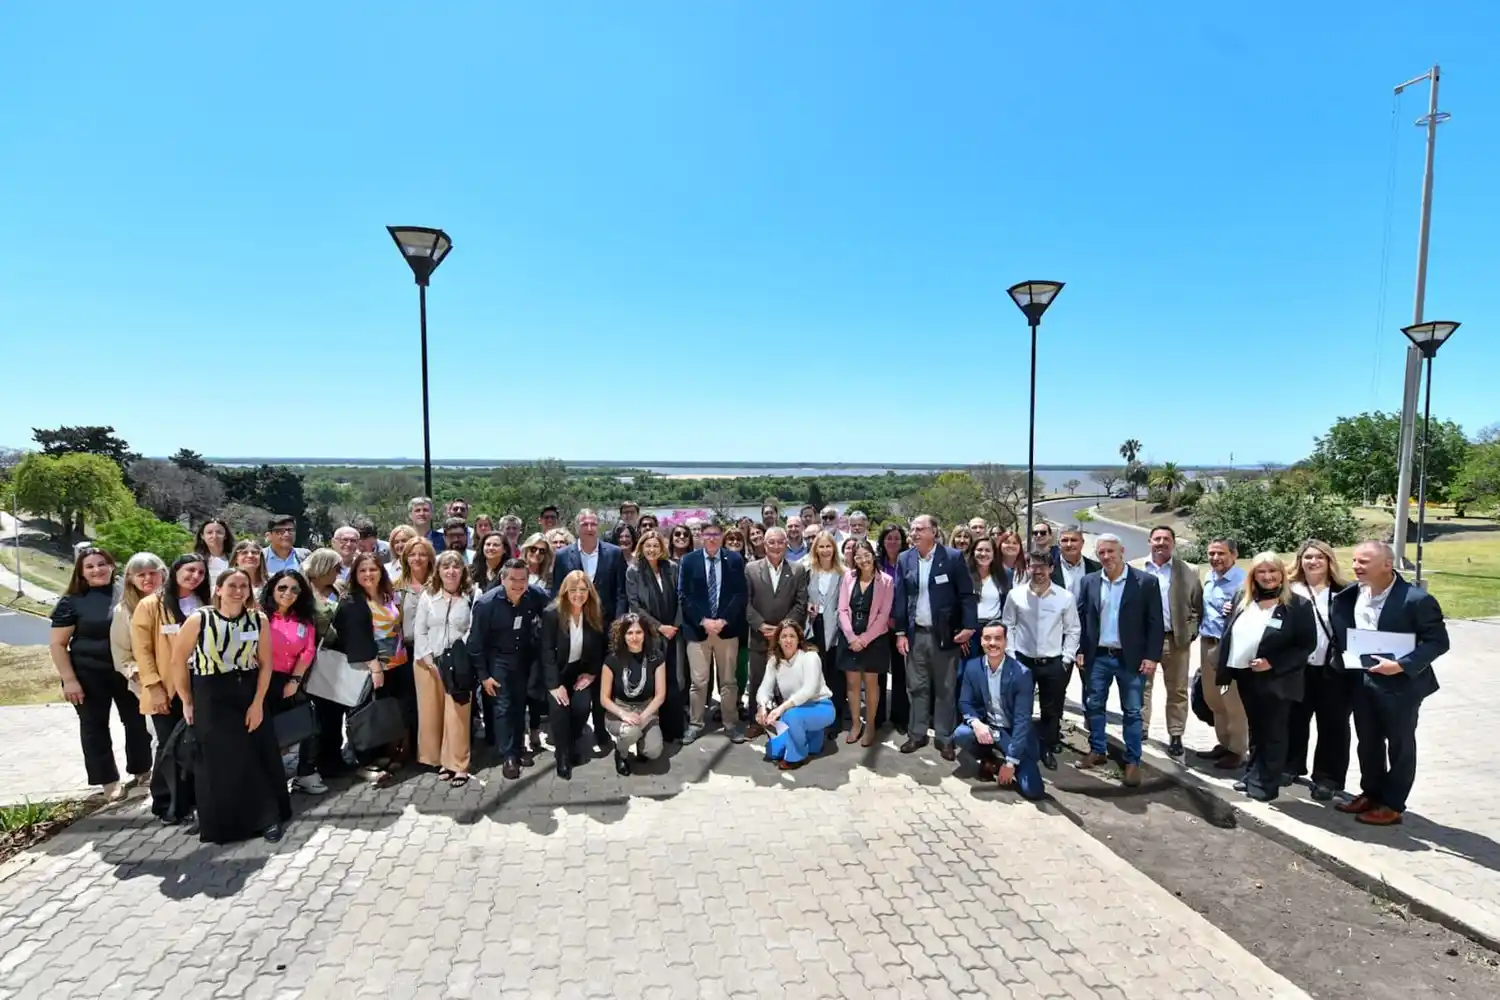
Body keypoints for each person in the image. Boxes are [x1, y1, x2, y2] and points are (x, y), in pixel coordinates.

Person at [169, 566, 293, 843]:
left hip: (247, 689)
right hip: (211, 693)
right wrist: (187, 701)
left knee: (255, 753)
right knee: (219, 760)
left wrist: (258, 702)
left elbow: (266, 664)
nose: (238, 591)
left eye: (243, 586)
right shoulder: (199, 619)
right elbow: (178, 661)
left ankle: (266, 817)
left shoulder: (257, 620)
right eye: (232, 586)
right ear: (218, 589)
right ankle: (226, 823)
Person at [1331, 541, 1449, 826]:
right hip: (1362, 679)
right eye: (1355, 561)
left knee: (1400, 744)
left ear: (1386, 564)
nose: (1357, 566)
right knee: (1368, 742)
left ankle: (1393, 804)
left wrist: (1401, 666)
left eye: (1364, 561)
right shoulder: (1350, 595)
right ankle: (1370, 793)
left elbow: (1438, 641)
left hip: (1401, 685)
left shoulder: (1415, 600)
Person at [50, 548, 153, 803]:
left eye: (102, 564)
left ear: (112, 566)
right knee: (94, 727)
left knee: (137, 722)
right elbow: (58, 644)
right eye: (90, 566)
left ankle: (142, 770)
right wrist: (69, 679)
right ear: (82, 573)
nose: (97, 570)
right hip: (87, 674)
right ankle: (108, 781)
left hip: (125, 670)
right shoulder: (72, 601)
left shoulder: (127, 592)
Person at [1215, 553, 1316, 802]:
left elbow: (1306, 645)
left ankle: (1267, 784)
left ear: (1282, 574)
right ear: (1253, 575)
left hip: (1279, 679)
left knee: (1274, 732)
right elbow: (1230, 632)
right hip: (1247, 676)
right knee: (1256, 728)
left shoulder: (1299, 606)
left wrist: (1272, 663)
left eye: (1273, 571)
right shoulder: (1243, 598)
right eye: (1261, 572)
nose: (1267, 577)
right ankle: (1252, 775)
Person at [1076, 534, 1163, 787]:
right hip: (1098, 656)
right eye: (1101, 552)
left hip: (1131, 658)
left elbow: (1154, 623)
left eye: (1110, 552)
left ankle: (1133, 760)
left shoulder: (1145, 582)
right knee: (1094, 705)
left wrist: (1151, 657)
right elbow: (1083, 619)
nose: (1106, 557)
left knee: (1133, 711)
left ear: (1122, 551)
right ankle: (1098, 749)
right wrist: (1081, 649)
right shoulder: (1089, 582)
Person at [131, 553, 210, 822]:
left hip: (200, 684)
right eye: (189, 570)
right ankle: (167, 803)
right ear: (174, 571)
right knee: (168, 745)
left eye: (200, 572)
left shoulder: (206, 602)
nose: (195, 576)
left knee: (197, 743)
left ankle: (195, 798)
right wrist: (153, 687)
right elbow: (142, 651)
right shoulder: (150, 605)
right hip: (166, 686)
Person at [891, 515, 977, 760]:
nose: (915, 533)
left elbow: (967, 595)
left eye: (920, 529)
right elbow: (900, 597)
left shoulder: (952, 558)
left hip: (945, 636)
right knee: (916, 687)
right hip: (916, 635)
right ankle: (917, 734)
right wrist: (899, 633)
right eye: (913, 529)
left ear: (934, 532)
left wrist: (969, 626)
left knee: (945, 688)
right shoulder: (905, 558)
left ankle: (944, 738)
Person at [552, 509, 628, 751]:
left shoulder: (614, 553)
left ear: (599, 527)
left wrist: (617, 625)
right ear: (577, 527)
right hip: (575, 628)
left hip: (605, 628)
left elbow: (621, 592)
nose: (589, 527)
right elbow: (558, 593)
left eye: (593, 523)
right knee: (580, 677)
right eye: (584, 523)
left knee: (603, 679)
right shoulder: (564, 556)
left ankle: (601, 728)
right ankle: (573, 729)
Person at [467, 559, 549, 779]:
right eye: (513, 579)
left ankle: (520, 747)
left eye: (523, 579)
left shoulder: (534, 595)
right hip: (497, 661)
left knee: (520, 704)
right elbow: (475, 644)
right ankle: (508, 756)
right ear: (503, 579)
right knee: (503, 707)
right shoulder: (487, 603)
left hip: (523, 659)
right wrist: (484, 677)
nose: (518, 584)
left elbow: (554, 610)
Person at [1001, 548, 1081, 771]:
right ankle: (1018, 747)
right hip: (1023, 661)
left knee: (1051, 710)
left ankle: (1047, 748)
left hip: (1053, 663)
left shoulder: (1065, 597)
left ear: (1051, 569)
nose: (1038, 571)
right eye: (1033, 566)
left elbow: (1073, 629)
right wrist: (1011, 654)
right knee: (1019, 707)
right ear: (1027, 568)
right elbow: (1009, 625)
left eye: (1043, 567)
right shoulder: (1015, 595)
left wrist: (1067, 658)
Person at [335, 552, 410, 779]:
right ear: (354, 574)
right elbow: (354, 637)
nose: (368, 574)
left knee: (387, 711)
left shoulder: (388, 595)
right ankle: (364, 761)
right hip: (370, 668)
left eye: (373, 569)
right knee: (366, 714)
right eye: (362, 570)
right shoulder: (352, 601)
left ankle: (384, 753)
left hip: (398, 663)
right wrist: (375, 667)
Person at [1286, 539, 1352, 798]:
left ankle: (1328, 779)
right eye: (1308, 557)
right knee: (1294, 720)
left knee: (1333, 726)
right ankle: (1290, 766)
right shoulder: (1290, 589)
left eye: (1319, 557)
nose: (1313, 562)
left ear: (1329, 562)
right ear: (1300, 561)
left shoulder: (1344, 593)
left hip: (1333, 670)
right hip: (1298, 669)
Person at [954, 621, 1044, 800]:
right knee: (961, 734)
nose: (992, 643)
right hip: (989, 727)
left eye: (997, 638)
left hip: (1012, 733)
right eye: (987, 638)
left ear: (1006, 642)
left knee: (1034, 791)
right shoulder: (972, 667)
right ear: (981, 641)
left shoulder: (1021, 673)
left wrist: (1011, 763)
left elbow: (1022, 720)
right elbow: (964, 702)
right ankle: (990, 758)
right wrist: (976, 723)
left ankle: (1009, 759)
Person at [678, 521, 747, 743]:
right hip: (698, 631)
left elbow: (740, 593)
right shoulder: (689, 561)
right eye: (707, 534)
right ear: (700, 536)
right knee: (698, 682)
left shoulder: (735, 560)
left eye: (716, 534)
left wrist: (723, 620)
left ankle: (730, 724)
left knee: (728, 681)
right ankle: (696, 724)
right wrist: (703, 621)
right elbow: (684, 595)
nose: (712, 538)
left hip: (727, 630)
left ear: (721, 537)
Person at [1139, 525, 1204, 758]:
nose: (1161, 542)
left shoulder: (1188, 570)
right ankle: (1141, 728)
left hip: (1175, 640)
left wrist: (1191, 632)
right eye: (1157, 538)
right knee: (1141, 687)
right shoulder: (1136, 568)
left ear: (1173, 543)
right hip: (1144, 641)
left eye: (1166, 538)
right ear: (1149, 541)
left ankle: (1176, 734)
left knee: (1177, 690)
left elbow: (1197, 605)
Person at [413, 550, 476, 786]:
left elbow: (472, 628)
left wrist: (461, 653)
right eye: (446, 567)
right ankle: (440, 760)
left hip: (458, 664)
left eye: (456, 567)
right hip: (428, 662)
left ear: (463, 571)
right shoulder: (428, 596)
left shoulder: (471, 595)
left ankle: (459, 764)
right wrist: (429, 660)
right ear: (438, 570)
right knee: (432, 714)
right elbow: (419, 630)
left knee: (458, 715)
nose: (451, 571)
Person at [259, 569, 324, 795]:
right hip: (263, 680)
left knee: (308, 725)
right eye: (282, 588)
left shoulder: (304, 619)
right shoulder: (260, 616)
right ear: (272, 589)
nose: (288, 593)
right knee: (267, 731)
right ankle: (268, 780)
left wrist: (295, 680)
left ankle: (305, 774)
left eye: (294, 589)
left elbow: (308, 650)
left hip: (293, 679)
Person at [744, 527, 810, 741]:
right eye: (771, 542)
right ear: (764, 543)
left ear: (786, 544)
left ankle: (784, 721)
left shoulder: (798, 570)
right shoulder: (751, 569)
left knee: (786, 681)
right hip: (758, 635)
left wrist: (783, 630)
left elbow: (801, 604)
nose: (775, 546)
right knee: (757, 680)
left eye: (780, 542)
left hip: (787, 639)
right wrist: (761, 625)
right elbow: (745, 603)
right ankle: (756, 721)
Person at [542, 570, 608, 779]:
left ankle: (572, 741)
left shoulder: (593, 612)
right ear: (565, 591)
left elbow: (599, 647)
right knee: (560, 709)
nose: (578, 594)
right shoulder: (552, 613)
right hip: (558, 673)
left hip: (580, 671)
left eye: (582, 589)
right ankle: (562, 754)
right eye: (573, 590)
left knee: (581, 707)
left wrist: (591, 674)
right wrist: (554, 685)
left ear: (589, 591)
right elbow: (546, 651)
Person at [625, 529, 683, 743]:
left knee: (674, 680)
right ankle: (648, 728)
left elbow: (680, 598)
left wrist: (673, 627)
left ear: (662, 549)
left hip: (673, 634)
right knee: (651, 681)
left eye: (656, 546)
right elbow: (635, 605)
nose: (651, 550)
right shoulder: (633, 571)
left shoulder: (672, 568)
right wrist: (659, 627)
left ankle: (674, 729)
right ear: (641, 548)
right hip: (650, 633)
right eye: (648, 546)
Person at [1196, 538, 1248, 770]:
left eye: (1221, 554)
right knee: (1213, 698)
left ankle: (1238, 750)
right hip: (1207, 643)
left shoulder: (1244, 583)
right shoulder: (1209, 578)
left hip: (1230, 646)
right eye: (1211, 553)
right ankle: (1224, 744)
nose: (1215, 558)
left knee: (1232, 700)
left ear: (1234, 555)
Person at [756, 620, 835, 770]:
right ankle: (812, 737)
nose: (788, 640)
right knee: (772, 752)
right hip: (795, 709)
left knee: (790, 716)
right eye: (784, 636)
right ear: (778, 640)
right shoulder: (774, 661)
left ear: (799, 639)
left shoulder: (810, 657)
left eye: (792, 636)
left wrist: (781, 709)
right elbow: (764, 689)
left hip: (820, 706)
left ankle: (796, 757)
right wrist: (763, 707)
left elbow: (809, 690)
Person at [837, 540, 892, 746]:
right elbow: (842, 609)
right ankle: (855, 724)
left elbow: (884, 614)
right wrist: (852, 638)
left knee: (871, 684)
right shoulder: (848, 577)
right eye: (858, 556)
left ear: (873, 554)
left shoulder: (885, 580)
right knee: (851, 684)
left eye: (866, 555)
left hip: (874, 639)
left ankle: (870, 726)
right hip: (850, 638)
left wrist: (865, 639)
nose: (863, 560)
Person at [600, 613, 668, 775]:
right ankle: (621, 754)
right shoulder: (612, 659)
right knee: (630, 731)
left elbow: (660, 695)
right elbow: (604, 698)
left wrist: (643, 717)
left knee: (653, 751)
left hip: (647, 710)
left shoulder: (656, 657)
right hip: (619, 710)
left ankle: (640, 743)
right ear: (622, 635)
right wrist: (624, 714)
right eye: (629, 633)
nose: (634, 637)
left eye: (638, 632)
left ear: (645, 634)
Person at [110, 553, 166, 709]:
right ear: (130, 579)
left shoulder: (175, 604)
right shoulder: (123, 610)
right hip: (146, 685)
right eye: (141, 575)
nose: (148, 578)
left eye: (153, 573)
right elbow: (121, 655)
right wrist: (145, 679)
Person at [804, 531, 845, 734]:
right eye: (821, 546)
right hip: (814, 626)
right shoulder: (808, 571)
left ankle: (836, 719)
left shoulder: (843, 573)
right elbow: (803, 597)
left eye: (828, 546)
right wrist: (808, 606)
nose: (825, 550)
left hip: (836, 629)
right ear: (816, 549)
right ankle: (817, 718)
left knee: (835, 676)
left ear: (834, 548)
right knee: (816, 672)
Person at [876, 524, 911, 733]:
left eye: (896, 538)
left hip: (902, 624)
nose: (892, 542)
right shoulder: (877, 563)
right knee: (879, 671)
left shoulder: (907, 561)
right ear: (882, 541)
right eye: (888, 538)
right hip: (879, 624)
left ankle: (900, 716)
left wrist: (898, 619)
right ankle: (878, 716)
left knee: (900, 672)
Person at [1051, 528, 1099, 595]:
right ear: (1059, 544)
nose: (1069, 544)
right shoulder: (1048, 567)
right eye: (1065, 540)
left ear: (1082, 543)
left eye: (1073, 540)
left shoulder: (1097, 569)